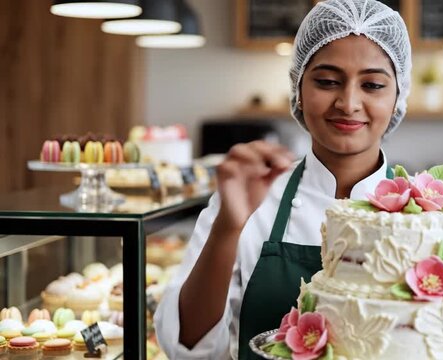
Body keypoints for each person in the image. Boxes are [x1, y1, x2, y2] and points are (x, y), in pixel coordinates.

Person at [154, 0, 412, 358]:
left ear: (398, 96)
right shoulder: (249, 199)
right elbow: (185, 346)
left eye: (372, 85)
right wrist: (228, 227)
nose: (348, 102)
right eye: (326, 81)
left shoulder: (429, 219)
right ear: (299, 90)